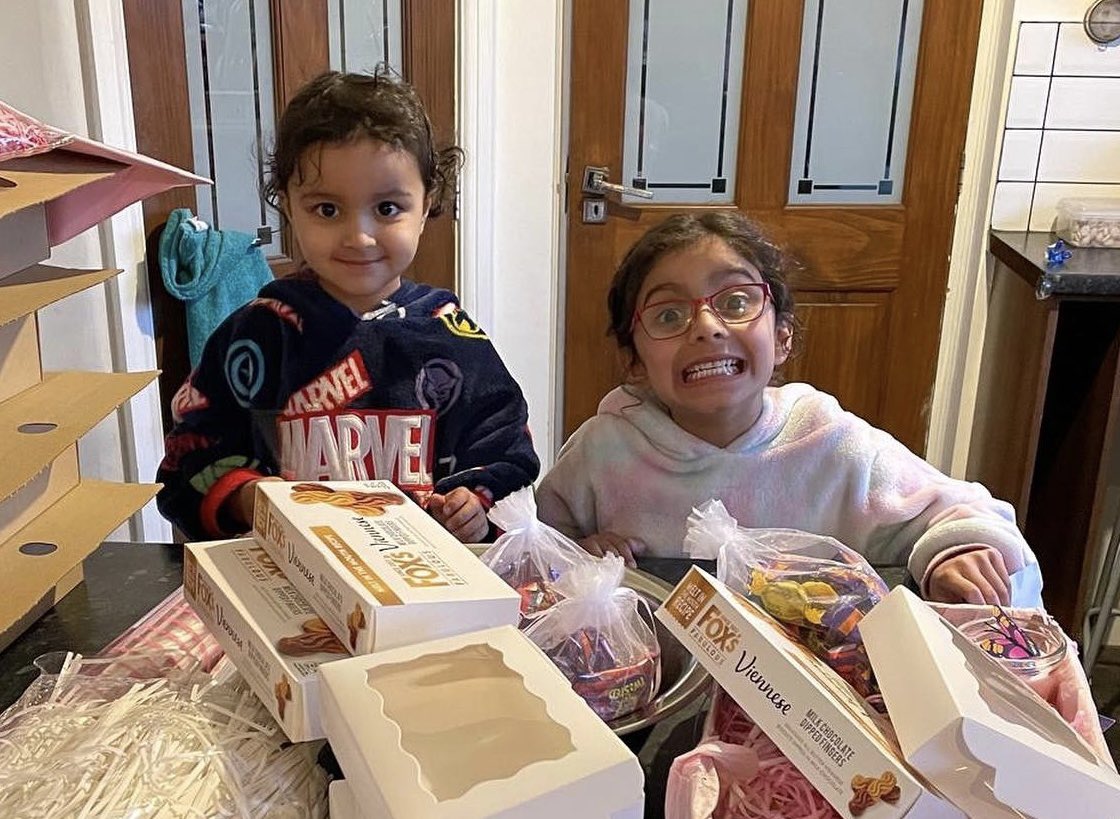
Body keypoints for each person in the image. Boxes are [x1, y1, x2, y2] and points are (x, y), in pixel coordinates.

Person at [536, 212, 1043, 607]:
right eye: (669, 314)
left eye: (735, 302)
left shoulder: (831, 443)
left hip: (810, 707)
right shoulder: (604, 452)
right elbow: (536, 546)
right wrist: (580, 552)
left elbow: (962, 510)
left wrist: (959, 551)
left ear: (781, 338)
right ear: (635, 362)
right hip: (658, 688)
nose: (707, 326)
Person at [157, 70, 538, 544]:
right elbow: (186, 464)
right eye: (327, 210)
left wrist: (475, 505)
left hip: (424, 588)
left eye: (387, 209)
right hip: (289, 585)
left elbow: (508, 453)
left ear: (427, 204)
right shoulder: (257, 334)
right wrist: (246, 498)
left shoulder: (453, 338)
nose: (358, 238)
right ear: (288, 207)